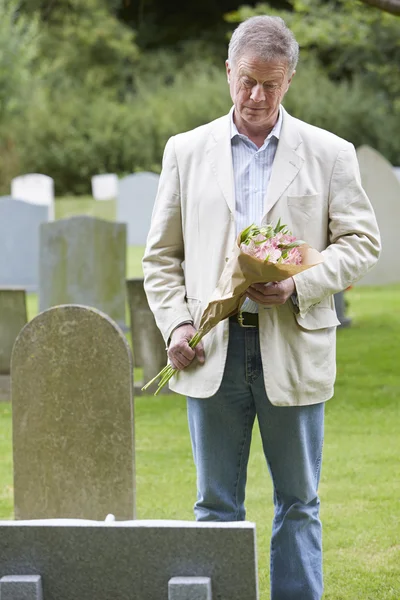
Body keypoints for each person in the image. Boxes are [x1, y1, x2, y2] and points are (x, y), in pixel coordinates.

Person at [143, 15, 380, 600]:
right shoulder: (185, 151)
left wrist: (299, 284)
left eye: (271, 85)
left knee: (298, 502)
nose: (257, 96)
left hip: (294, 347)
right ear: (228, 72)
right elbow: (161, 257)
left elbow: (362, 243)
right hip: (211, 353)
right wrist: (175, 323)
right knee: (215, 503)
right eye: (247, 80)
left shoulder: (330, 153)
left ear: (289, 81)